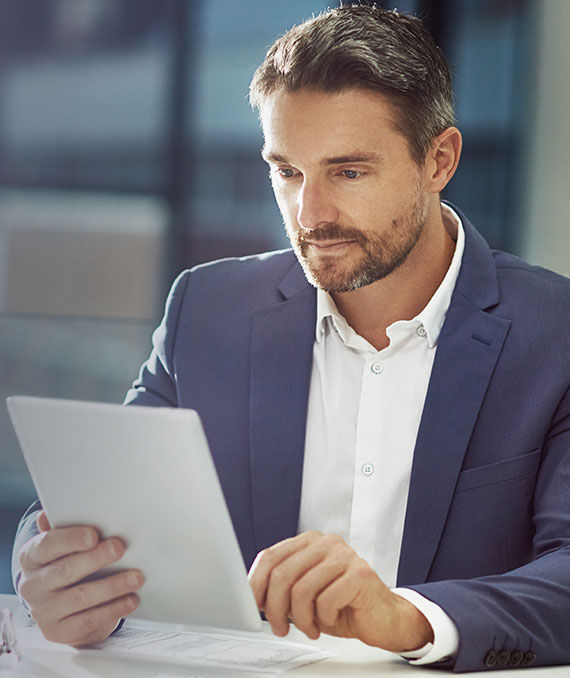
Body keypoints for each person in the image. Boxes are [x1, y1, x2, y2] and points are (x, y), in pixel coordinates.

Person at [11, 5, 570, 672]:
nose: (310, 214)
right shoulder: (208, 308)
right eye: (287, 171)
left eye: (348, 172)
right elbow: (99, 504)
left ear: (439, 160)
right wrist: (45, 567)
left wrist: (408, 617)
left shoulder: (553, 333)